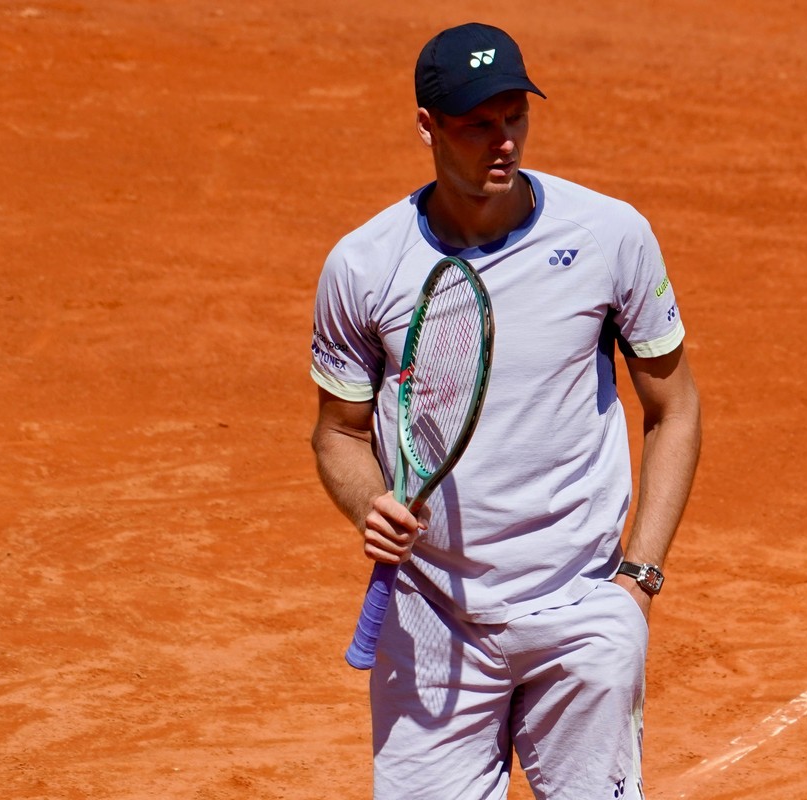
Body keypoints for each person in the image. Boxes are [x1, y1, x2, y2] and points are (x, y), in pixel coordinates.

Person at [309, 22, 701, 800]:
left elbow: (674, 406)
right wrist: (368, 503)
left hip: (581, 606)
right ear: (427, 125)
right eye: (476, 125)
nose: (504, 143)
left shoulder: (608, 236)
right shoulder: (363, 265)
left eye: (515, 116)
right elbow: (337, 433)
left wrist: (639, 579)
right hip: (430, 618)